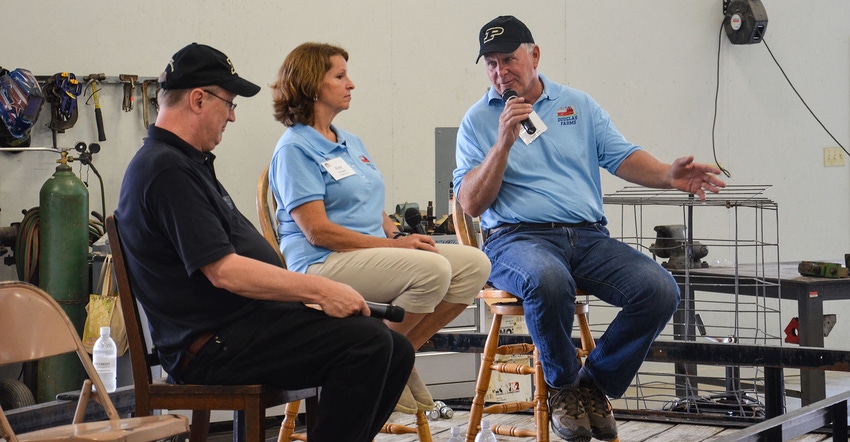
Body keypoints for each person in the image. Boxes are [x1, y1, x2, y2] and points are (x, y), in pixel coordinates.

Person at [115, 43, 414, 442]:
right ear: (199, 99)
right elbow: (224, 271)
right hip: (212, 346)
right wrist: (322, 290)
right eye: (229, 103)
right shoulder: (165, 169)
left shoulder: (185, 162)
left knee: (395, 349)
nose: (233, 116)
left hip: (242, 327)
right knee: (369, 346)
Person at [454, 16, 727, 442]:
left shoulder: (577, 105)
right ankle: (563, 387)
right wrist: (503, 141)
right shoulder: (477, 120)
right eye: (490, 63)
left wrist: (669, 176)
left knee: (659, 290)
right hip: (515, 240)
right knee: (548, 279)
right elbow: (470, 202)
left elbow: (622, 156)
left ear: (535, 55)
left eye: (509, 58)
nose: (500, 71)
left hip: (587, 236)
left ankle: (594, 384)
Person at [268, 42, 491, 414]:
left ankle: (395, 358)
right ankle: (388, 359)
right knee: (432, 270)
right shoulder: (294, 149)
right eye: (339, 76)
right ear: (311, 85)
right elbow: (318, 232)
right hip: (322, 262)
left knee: (474, 265)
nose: (350, 84)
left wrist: (397, 236)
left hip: (369, 252)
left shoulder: (349, 141)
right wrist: (395, 249)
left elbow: (371, 202)